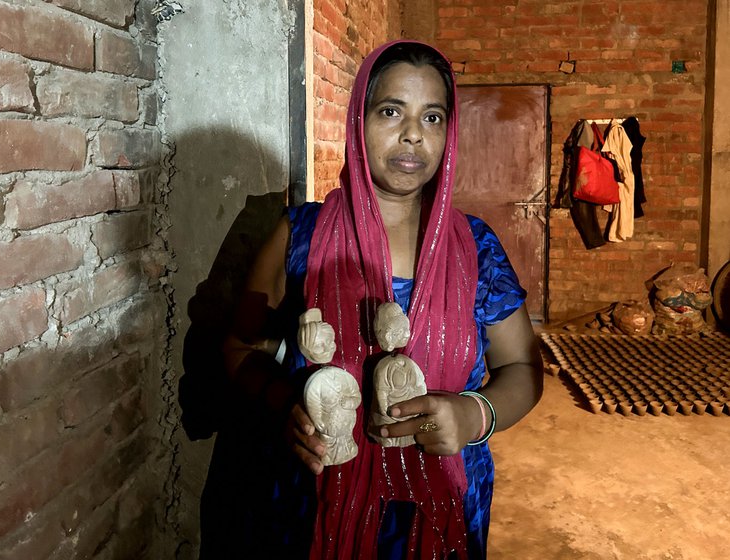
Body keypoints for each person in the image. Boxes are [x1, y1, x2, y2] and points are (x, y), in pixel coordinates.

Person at [189, 40, 543, 559]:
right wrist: (286, 403)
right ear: (359, 120)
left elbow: (523, 367)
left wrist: (474, 415)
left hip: (442, 506)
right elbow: (240, 349)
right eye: (391, 111)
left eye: (434, 117)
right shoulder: (298, 237)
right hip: (314, 506)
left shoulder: (477, 249)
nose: (413, 134)